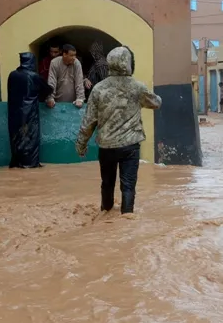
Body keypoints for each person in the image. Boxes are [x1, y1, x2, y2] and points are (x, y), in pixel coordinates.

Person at [76, 46, 162, 214]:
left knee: (107, 183)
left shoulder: (99, 88)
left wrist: (81, 144)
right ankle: (126, 218)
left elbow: (89, 121)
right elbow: (156, 103)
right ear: (128, 63)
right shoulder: (137, 87)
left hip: (106, 146)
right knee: (128, 185)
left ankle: (105, 215)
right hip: (130, 146)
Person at [7, 52, 53, 168]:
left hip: (14, 113)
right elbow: (47, 89)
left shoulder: (12, 75)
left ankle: (17, 162)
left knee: (16, 137)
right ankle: (30, 164)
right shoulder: (34, 76)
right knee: (30, 138)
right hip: (30, 113)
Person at [47, 44, 85, 108]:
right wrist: (50, 98)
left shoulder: (77, 63)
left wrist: (80, 98)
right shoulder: (54, 63)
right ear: (64, 54)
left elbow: (79, 82)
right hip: (56, 103)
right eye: (71, 55)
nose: (74, 58)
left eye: (75, 55)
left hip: (73, 104)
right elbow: (51, 81)